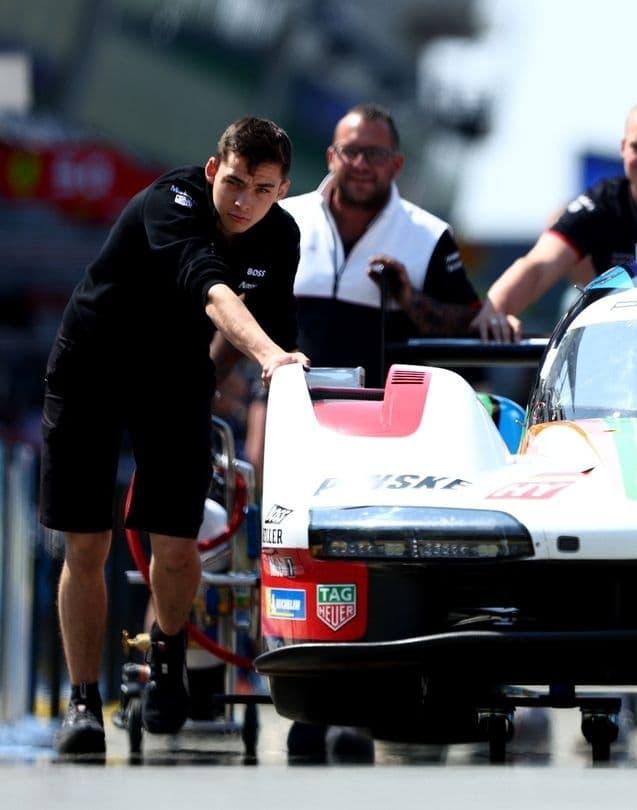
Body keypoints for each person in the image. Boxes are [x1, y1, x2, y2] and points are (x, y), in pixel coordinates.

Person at [42, 117, 308, 756]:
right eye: (236, 183)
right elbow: (217, 296)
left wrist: (271, 368)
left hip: (173, 372)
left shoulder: (280, 236)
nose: (244, 202)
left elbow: (276, 323)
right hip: (92, 365)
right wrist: (271, 355)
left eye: (263, 189)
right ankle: (83, 704)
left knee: (179, 543)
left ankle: (166, 652)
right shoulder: (174, 202)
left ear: (282, 190)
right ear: (215, 170)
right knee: (87, 543)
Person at [474, 100, 637, 341]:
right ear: (623, 149)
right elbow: (541, 264)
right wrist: (496, 309)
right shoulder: (600, 204)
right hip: (621, 355)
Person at [283, 103, 482, 386]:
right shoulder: (285, 218)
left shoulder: (431, 235)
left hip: (385, 421)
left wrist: (408, 298)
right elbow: (241, 303)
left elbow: (469, 323)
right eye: (350, 151)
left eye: (375, 155)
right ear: (331, 157)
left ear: (396, 164)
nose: (361, 164)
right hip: (283, 408)